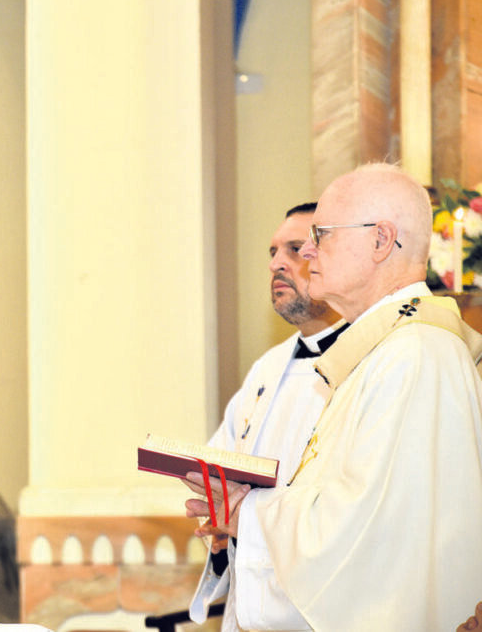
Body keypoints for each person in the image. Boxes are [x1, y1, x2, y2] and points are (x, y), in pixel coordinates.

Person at [187, 163, 482, 630]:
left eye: (321, 235)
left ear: (381, 240)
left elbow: (363, 534)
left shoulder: (414, 355)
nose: (307, 251)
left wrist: (248, 514)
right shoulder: (385, 352)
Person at [188, 203, 344, 631]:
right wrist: (219, 526)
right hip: (250, 606)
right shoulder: (267, 369)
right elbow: (222, 462)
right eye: (273, 252)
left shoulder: (372, 364)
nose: (276, 263)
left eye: (295, 249)